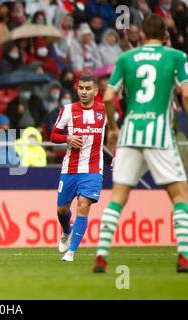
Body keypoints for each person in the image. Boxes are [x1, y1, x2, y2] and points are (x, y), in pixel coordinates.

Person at [93, 14, 188, 273]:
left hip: (130, 132)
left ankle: (101, 256)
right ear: (166, 36)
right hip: (159, 133)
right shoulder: (176, 57)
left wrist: (113, 129)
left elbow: (109, 96)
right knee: (180, 195)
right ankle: (184, 256)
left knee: (118, 197)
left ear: (142, 35)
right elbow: (186, 92)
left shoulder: (126, 58)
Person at [50, 75, 106, 262]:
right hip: (70, 168)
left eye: (88, 88)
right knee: (61, 210)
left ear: (95, 91)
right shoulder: (67, 110)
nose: (83, 91)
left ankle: (71, 252)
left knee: (84, 205)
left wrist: (118, 153)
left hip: (92, 169)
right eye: (81, 88)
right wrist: (67, 138)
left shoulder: (104, 111)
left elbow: (115, 134)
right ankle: (66, 231)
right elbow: (53, 134)